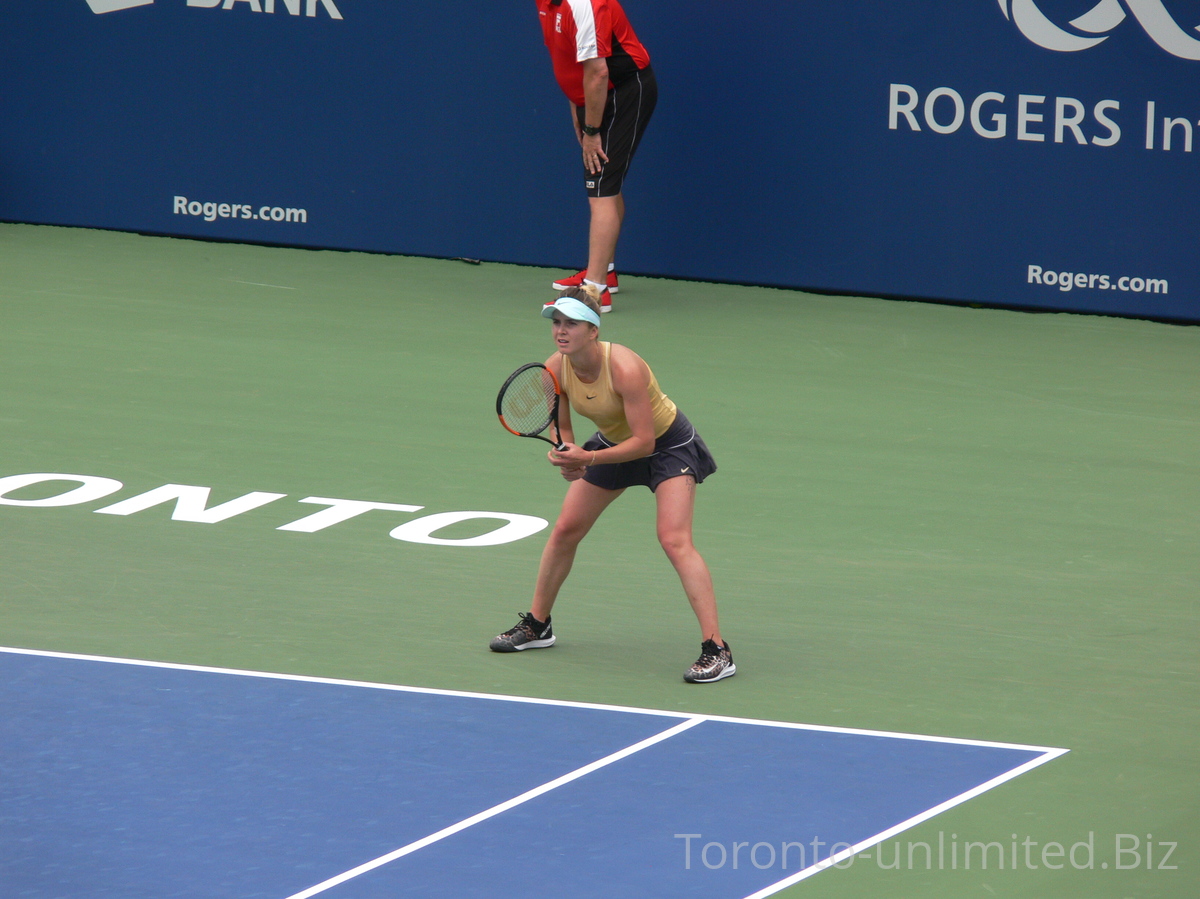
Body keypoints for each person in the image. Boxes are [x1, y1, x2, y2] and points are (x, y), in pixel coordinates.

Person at [490, 288, 734, 683]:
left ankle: (717, 649)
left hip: (667, 445)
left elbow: (644, 442)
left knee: (673, 539)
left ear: (592, 330)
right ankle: (537, 625)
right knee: (566, 529)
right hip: (611, 443)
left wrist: (586, 458)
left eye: (571, 323)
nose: (561, 331)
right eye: (556, 323)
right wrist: (566, 451)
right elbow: (562, 421)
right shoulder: (556, 367)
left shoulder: (624, 367)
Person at [534, 0, 658, 313]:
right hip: (596, 94)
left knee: (601, 188)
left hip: (623, 91)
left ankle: (594, 292)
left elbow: (598, 71)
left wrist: (592, 130)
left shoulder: (583, 5)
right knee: (605, 182)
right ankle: (604, 271)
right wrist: (576, 103)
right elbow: (567, 57)